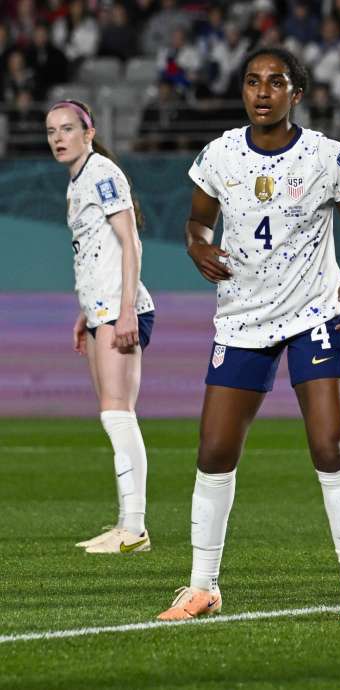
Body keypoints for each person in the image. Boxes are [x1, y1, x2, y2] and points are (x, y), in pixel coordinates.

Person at [157, 47, 340, 623]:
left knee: (329, 446)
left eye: (275, 82)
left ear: (296, 93)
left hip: (313, 314)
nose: (262, 91)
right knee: (214, 452)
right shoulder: (219, 154)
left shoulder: (328, 156)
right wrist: (197, 246)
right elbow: (197, 220)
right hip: (242, 317)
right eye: (253, 81)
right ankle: (203, 586)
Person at [47, 99, 156, 555]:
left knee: (118, 413)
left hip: (120, 310)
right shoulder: (79, 181)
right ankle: (125, 524)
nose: (57, 137)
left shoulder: (102, 173)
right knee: (110, 413)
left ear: (89, 133)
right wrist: (85, 312)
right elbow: (94, 253)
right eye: (51, 130)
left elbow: (130, 243)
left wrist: (125, 309)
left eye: (68, 128)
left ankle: (134, 528)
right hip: (101, 310)